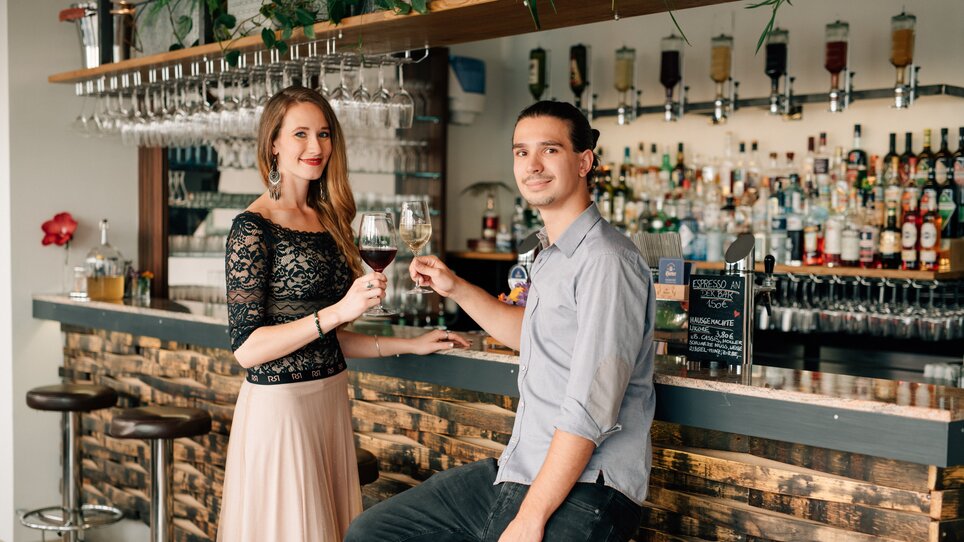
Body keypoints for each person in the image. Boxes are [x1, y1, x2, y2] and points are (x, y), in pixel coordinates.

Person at [346, 100, 655, 542]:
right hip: (521, 467)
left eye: (549, 150)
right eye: (520, 151)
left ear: (584, 161)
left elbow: (590, 410)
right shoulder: (551, 256)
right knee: (373, 532)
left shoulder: (607, 260)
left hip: (588, 489)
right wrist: (453, 286)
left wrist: (530, 518)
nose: (532, 164)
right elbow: (529, 334)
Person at [216, 86, 468, 542]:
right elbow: (248, 349)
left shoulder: (329, 218)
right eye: (300, 134)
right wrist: (336, 311)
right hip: (282, 409)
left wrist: (409, 344)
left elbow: (331, 338)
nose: (316, 147)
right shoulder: (250, 228)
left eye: (324, 134)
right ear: (273, 143)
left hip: (329, 398)